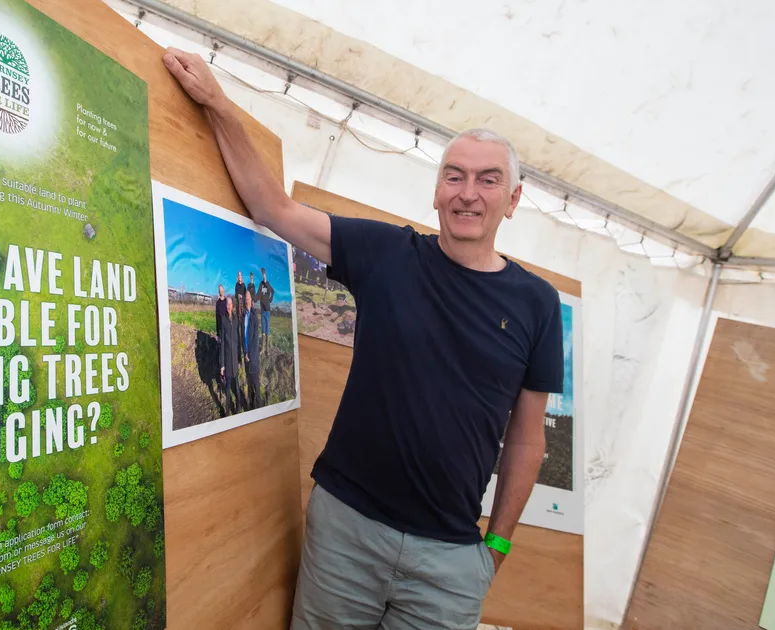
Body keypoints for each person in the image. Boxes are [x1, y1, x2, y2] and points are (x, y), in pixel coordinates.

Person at [163, 48, 563, 630]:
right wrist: (220, 106)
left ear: (514, 198)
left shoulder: (536, 303)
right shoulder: (386, 254)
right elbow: (273, 208)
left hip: (449, 561)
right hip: (345, 531)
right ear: (436, 191)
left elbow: (528, 441)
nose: (467, 192)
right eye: (454, 176)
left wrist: (495, 548)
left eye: (487, 179)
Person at [218, 295, 240, 414]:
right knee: (227, 387)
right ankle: (227, 411)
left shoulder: (236, 319)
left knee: (236, 386)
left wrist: (239, 360)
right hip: (227, 359)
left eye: (230, 304)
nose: (229, 306)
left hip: (235, 358)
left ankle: (238, 407)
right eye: (227, 304)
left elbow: (238, 342)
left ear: (233, 305)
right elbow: (221, 344)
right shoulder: (223, 319)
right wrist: (222, 364)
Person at [242, 290, 262, 409]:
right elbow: (243, 335)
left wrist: (249, 354)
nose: (247, 300)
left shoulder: (254, 316)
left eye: (248, 297)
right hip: (246, 355)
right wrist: (245, 352)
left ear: (251, 300)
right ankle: (250, 408)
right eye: (245, 298)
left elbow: (254, 339)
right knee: (249, 384)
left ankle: (258, 408)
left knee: (256, 384)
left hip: (252, 357)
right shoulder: (244, 315)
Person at [257, 267, 274, 348]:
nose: (263, 275)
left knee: (267, 328)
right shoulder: (260, 284)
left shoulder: (267, 284)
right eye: (262, 273)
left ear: (265, 274)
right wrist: (253, 299)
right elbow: (258, 294)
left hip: (267, 310)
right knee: (263, 328)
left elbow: (272, 291)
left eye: (264, 273)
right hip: (262, 309)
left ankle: (267, 348)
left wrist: (270, 299)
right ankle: (263, 348)